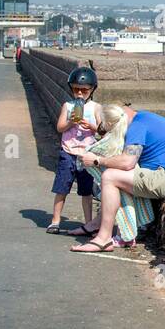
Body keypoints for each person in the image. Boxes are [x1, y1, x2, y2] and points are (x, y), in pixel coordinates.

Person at [69, 106, 165, 253]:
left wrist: (97, 160)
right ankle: (96, 224)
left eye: (109, 130)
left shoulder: (136, 128)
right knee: (117, 176)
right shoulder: (142, 118)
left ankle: (103, 239)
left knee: (109, 177)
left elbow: (127, 162)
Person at [44, 66, 101, 233]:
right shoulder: (68, 106)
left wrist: (90, 126)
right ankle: (55, 221)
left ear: (92, 89)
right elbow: (60, 127)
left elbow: (101, 129)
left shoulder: (95, 107)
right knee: (62, 188)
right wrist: (71, 122)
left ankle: (88, 223)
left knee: (86, 191)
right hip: (68, 152)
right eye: (76, 89)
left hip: (86, 154)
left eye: (84, 90)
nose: (80, 93)